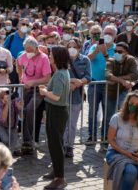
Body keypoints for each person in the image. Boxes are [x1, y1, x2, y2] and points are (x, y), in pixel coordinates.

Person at [39, 46, 70, 189]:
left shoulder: (59, 74)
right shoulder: (62, 72)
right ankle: (57, 171)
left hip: (57, 111)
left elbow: (56, 96)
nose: (49, 56)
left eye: (51, 54)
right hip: (56, 111)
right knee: (54, 144)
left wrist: (45, 91)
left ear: (58, 57)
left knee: (56, 145)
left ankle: (60, 178)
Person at [16, 37, 51, 155]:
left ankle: (28, 141)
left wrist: (33, 82)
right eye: (26, 49)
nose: (28, 52)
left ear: (36, 48)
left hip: (39, 89)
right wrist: (21, 76)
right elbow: (18, 62)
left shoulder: (44, 58)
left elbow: (47, 77)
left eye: (30, 49)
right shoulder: (24, 56)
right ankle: (27, 142)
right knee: (24, 111)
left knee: (30, 109)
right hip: (26, 88)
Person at [106, 91, 138, 190]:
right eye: (131, 103)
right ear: (127, 103)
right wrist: (126, 153)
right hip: (117, 152)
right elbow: (110, 139)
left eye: (136, 105)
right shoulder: (117, 118)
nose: (132, 106)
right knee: (131, 171)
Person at [87, 25, 117, 142]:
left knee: (108, 113)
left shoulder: (117, 49)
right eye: (106, 33)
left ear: (115, 36)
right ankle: (92, 136)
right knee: (92, 112)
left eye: (110, 33)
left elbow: (115, 66)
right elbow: (88, 59)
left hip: (109, 85)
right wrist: (97, 50)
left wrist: (105, 53)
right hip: (94, 83)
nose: (108, 35)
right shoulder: (94, 46)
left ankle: (105, 136)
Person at [63, 38, 91, 158]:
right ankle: (62, 144)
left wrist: (79, 82)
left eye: (74, 46)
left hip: (77, 96)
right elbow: (59, 74)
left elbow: (88, 76)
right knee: (63, 123)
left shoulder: (85, 60)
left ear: (79, 48)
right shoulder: (63, 59)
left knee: (72, 124)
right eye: (70, 46)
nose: (72, 49)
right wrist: (72, 82)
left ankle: (69, 146)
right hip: (63, 95)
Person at [105, 42, 138, 140]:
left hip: (125, 91)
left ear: (126, 53)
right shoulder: (111, 60)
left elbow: (135, 75)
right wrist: (122, 80)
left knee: (123, 114)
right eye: (115, 51)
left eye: (120, 51)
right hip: (111, 91)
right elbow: (107, 75)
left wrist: (117, 79)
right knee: (108, 116)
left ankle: (122, 138)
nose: (117, 53)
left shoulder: (131, 60)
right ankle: (106, 138)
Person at [4, 18, 29, 85]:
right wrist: (10, 57)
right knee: (10, 87)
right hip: (12, 66)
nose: (25, 26)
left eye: (27, 25)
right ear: (18, 26)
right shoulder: (11, 37)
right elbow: (3, 50)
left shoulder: (29, 38)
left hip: (24, 67)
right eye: (23, 24)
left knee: (22, 86)